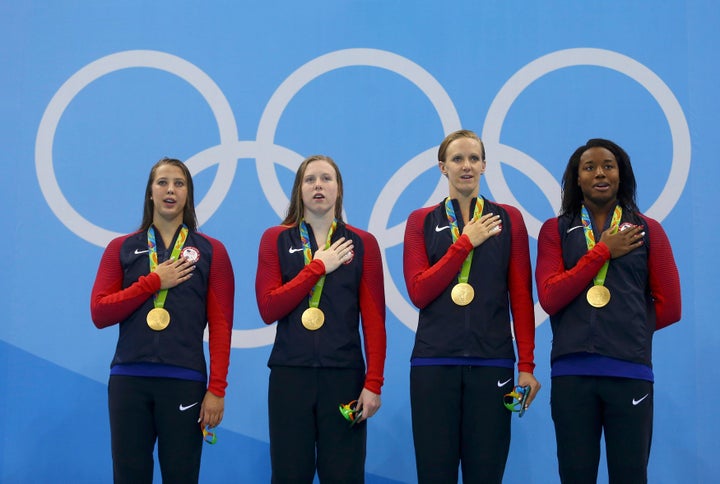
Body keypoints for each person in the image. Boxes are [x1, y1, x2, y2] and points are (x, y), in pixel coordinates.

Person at [535, 138, 681, 483]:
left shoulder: (648, 231)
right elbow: (550, 296)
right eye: (589, 167)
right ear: (577, 178)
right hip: (571, 375)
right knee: (575, 475)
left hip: (630, 372)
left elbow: (671, 307)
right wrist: (601, 252)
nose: (600, 173)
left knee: (630, 476)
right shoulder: (555, 230)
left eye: (608, 166)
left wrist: (624, 330)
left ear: (621, 175)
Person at [403, 129, 540, 483]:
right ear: (442, 168)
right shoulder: (421, 221)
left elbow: (521, 298)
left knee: (486, 475)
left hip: (492, 362)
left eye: (474, 159)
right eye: (457, 159)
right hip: (434, 362)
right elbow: (419, 291)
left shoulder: (508, 219)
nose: (466, 166)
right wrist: (464, 243)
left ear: (484, 166)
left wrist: (526, 365)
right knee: (435, 475)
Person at [90, 157, 235, 484]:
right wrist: (153, 282)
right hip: (129, 380)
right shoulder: (122, 248)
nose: (171, 190)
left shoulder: (212, 252)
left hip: (185, 380)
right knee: (129, 477)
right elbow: (100, 312)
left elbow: (222, 326)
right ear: (150, 194)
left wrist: (217, 389)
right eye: (163, 183)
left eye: (179, 184)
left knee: (182, 477)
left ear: (189, 194)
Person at [255, 154, 387, 483]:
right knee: (288, 475)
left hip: (344, 378)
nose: (318, 185)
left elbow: (374, 322)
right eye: (310, 179)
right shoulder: (275, 238)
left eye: (326, 179)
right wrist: (317, 267)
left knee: (344, 475)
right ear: (299, 190)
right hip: (290, 376)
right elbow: (268, 308)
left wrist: (373, 384)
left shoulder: (363, 243)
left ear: (338, 190)